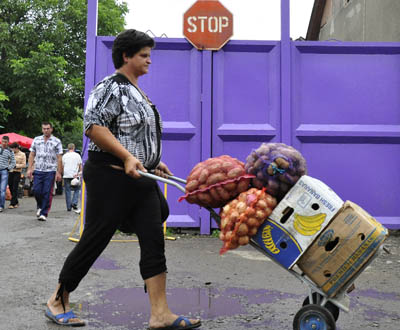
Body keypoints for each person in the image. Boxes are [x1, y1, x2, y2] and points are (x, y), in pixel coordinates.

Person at [45, 29, 201, 329]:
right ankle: (57, 300)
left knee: (154, 238)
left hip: (138, 176)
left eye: (149, 55)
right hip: (110, 177)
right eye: (144, 55)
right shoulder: (110, 87)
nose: (149, 61)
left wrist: (153, 161)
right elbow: (94, 127)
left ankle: (160, 314)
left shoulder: (138, 91)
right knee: (95, 239)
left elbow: (133, 135)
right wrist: (127, 157)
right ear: (126, 56)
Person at [27, 122, 63, 221]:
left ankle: (44, 213)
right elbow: (31, 154)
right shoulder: (36, 139)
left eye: (47, 128)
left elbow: (59, 158)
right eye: (44, 128)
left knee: (47, 192)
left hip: (50, 170)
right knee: (36, 190)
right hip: (38, 169)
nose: (45, 130)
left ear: (51, 129)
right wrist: (29, 168)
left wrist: (59, 172)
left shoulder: (56, 141)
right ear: (42, 129)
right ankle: (40, 206)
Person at [62, 143, 82, 213]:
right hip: (74, 175)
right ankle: (74, 202)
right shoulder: (77, 155)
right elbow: (80, 166)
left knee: (67, 191)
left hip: (66, 175)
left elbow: (63, 166)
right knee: (77, 189)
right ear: (74, 148)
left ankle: (68, 207)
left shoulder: (64, 156)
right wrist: (79, 173)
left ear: (68, 148)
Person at [8, 142, 26, 209]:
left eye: (12, 148)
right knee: (10, 186)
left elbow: (24, 164)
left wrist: (16, 166)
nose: (11, 150)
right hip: (10, 172)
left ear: (16, 148)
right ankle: (16, 201)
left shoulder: (22, 154)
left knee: (15, 188)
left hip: (17, 172)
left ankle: (12, 203)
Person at [0, 136, 16, 212]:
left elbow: (13, 162)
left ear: (8, 142)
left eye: (5, 142)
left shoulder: (10, 151)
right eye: (2, 141)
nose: (3, 143)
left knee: (2, 190)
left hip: (4, 171)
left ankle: (1, 206)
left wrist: (8, 168)